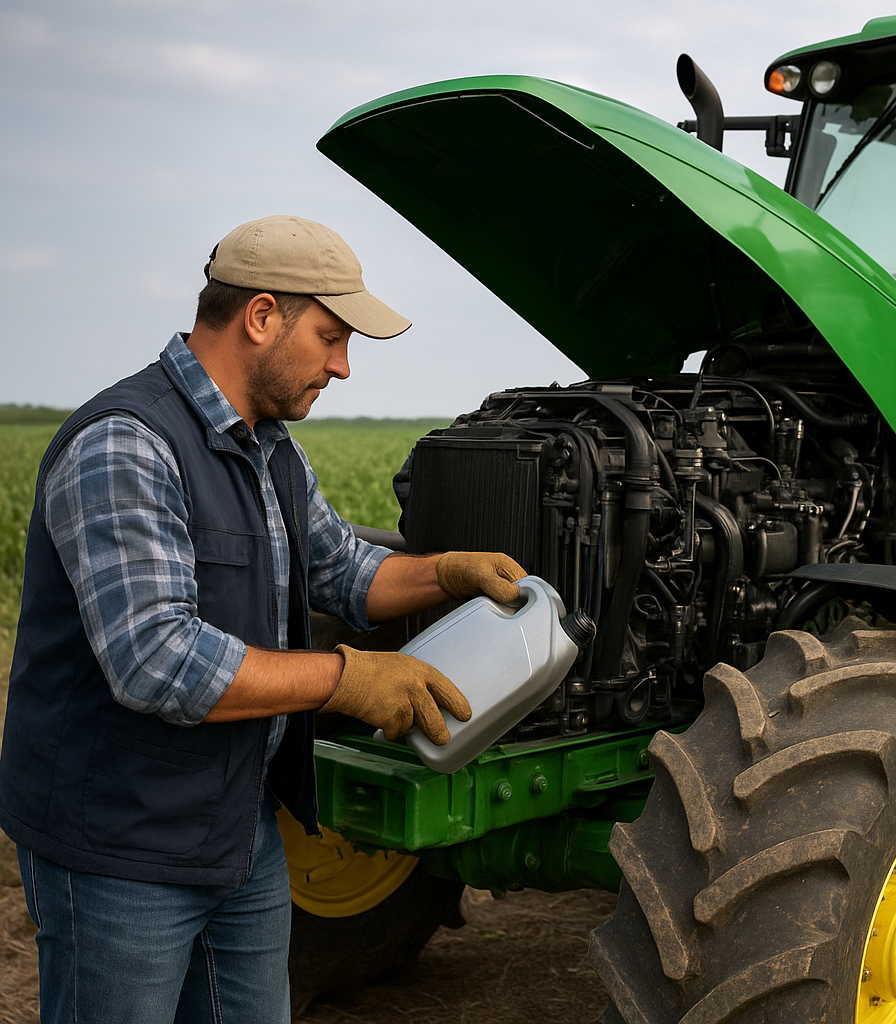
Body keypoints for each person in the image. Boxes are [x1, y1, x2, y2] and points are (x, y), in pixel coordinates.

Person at [0, 215, 526, 1024]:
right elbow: (157, 660)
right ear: (261, 316)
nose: (344, 366)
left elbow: (343, 570)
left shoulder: (270, 447)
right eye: (331, 336)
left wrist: (446, 573)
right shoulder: (127, 444)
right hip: (119, 845)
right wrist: (348, 679)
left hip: (238, 832)